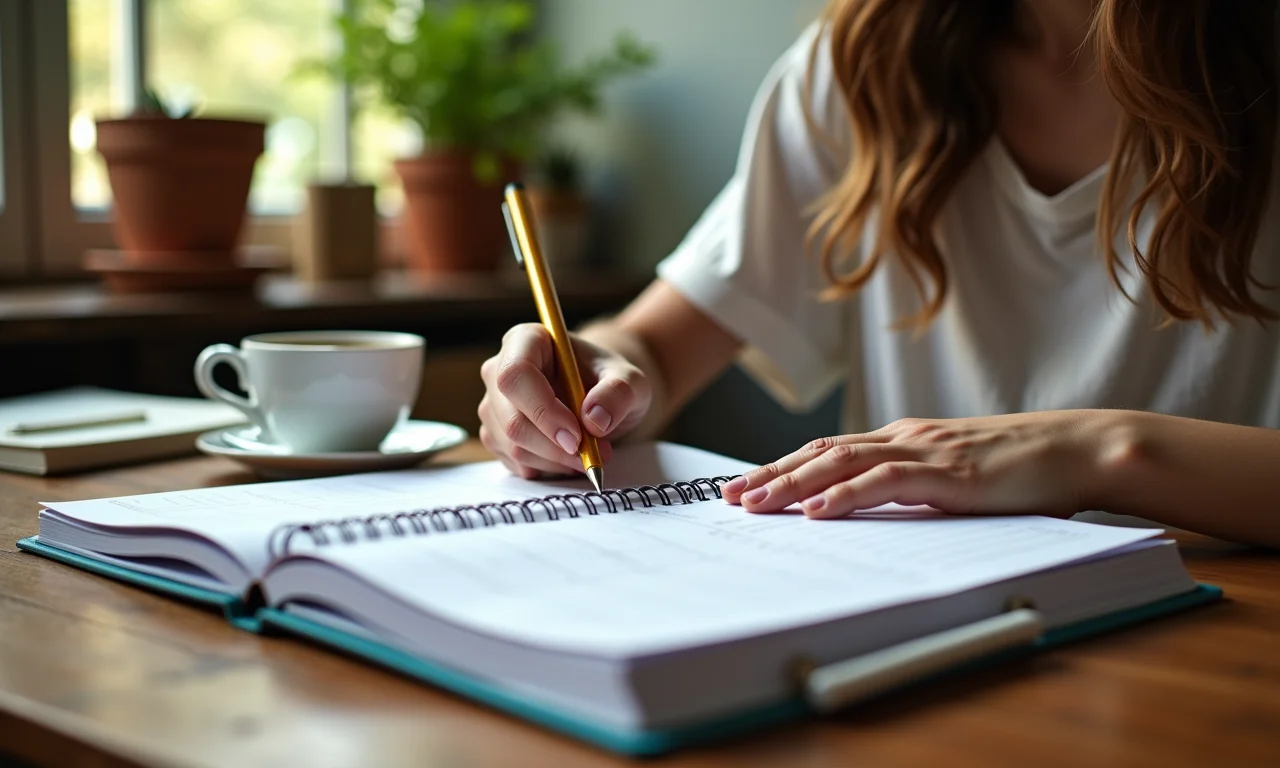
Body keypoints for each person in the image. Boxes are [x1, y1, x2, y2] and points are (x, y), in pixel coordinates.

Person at [478, 0, 1280, 549]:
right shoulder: (864, 64)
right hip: (929, 631)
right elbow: (652, 345)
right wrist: (585, 374)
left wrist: (1096, 450)